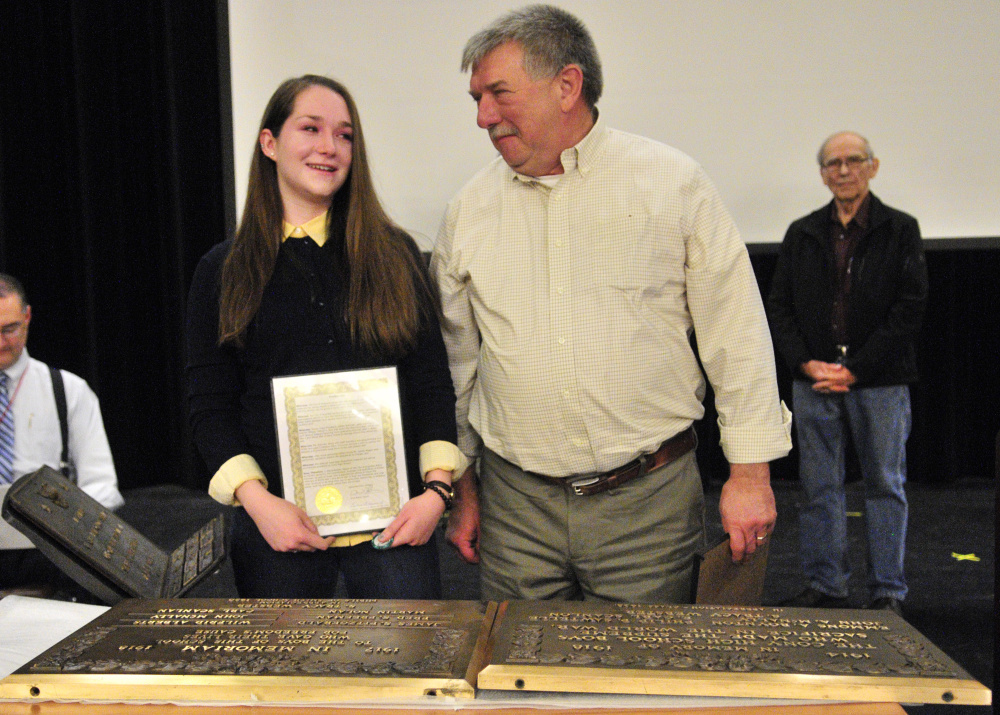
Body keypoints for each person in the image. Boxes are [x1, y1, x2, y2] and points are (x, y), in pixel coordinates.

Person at [430, 5, 791, 603]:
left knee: (646, 687)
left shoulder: (673, 184)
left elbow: (737, 334)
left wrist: (750, 475)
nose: (482, 117)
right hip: (514, 511)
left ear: (567, 85)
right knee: (519, 685)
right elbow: (458, 366)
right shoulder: (469, 210)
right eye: (475, 98)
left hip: (647, 507)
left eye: (497, 94)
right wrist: (464, 490)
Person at [186, 75, 465, 599]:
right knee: (287, 680)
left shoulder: (395, 254)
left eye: (344, 135)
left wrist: (435, 494)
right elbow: (209, 407)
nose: (329, 148)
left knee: (407, 676)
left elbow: (430, 382)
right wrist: (258, 504)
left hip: (396, 530)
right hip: (278, 533)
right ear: (269, 143)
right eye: (310, 129)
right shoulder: (222, 269)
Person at [767, 131, 927, 615]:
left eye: (852, 160)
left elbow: (910, 310)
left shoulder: (900, 229)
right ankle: (827, 583)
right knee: (818, 488)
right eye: (831, 163)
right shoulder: (803, 232)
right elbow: (779, 307)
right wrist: (803, 362)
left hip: (879, 381)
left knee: (885, 485)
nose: (842, 170)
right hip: (814, 381)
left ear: (872, 167)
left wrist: (856, 370)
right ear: (821, 174)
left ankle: (887, 591)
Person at [0, 273, 124, 596]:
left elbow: (102, 485)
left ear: (27, 317)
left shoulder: (69, 391)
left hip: (44, 547)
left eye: (8, 329)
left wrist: (65, 525)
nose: (0, 342)